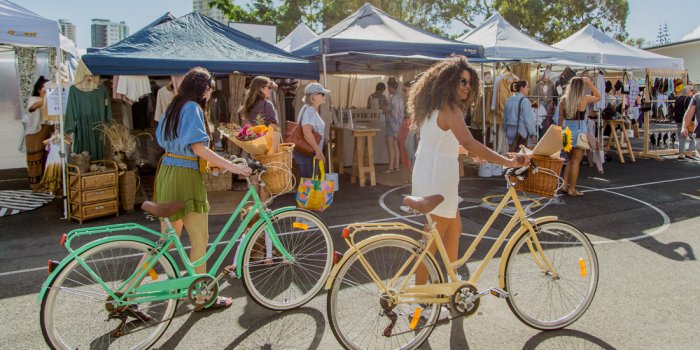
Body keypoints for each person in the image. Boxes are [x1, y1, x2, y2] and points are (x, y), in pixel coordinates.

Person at [409, 56, 530, 318]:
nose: (467, 85)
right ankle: (418, 302)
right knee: (430, 242)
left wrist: (463, 149)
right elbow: (471, 142)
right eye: (462, 81)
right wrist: (507, 161)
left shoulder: (434, 106)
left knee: (454, 229)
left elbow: (441, 140)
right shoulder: (450, 109)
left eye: (470, 82)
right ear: (448, 81)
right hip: (438, 177)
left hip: (432, 171)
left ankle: (451, 288)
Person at [155, 67, 251, 309]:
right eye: (210, 89)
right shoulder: (193, 109)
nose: (210, 94)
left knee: (166, 241)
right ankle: (201, 297)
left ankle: (128, 291)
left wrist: (214, 164)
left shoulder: (174, 106)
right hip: (185, 176)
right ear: (204, 89)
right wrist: (234, 167)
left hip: (166, 170)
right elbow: (198, 148)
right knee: (200, 239)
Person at [557, 77, 601, 197]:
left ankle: (564, 186)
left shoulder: (563, 100)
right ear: (581, 88)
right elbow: (598, 97)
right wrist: (590, 83)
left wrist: (558, 133)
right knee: (576, 161)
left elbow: (560, 119)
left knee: (569, 160)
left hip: (566, 132)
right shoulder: (584, 98)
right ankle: (572, 189)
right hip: (579, 131)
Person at [241, 76, 279, 201]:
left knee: (256, 176)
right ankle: (263, 208)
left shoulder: (249, 105)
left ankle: (255, 205)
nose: (270, 90)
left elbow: (247, 126)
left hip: (253, 145)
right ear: (261, 88)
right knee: (266, 177)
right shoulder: (266, 105)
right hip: (266, 146)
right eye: (269, 87)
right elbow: (274, 126)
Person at [294, 83, 329, 178]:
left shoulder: (308, 109)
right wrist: (318, 152)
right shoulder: (309, 110)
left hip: (307, 153)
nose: (324, 96)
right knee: (308, 189)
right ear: (313, 96)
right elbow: (307, 132)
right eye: (322, 94)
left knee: (307, 188)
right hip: (308, 154)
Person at [23, 76, 50, 190]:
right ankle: (35, 185)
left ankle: (46, 182)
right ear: (39, 89)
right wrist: (46, 97)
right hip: (35, 133)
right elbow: (32, 107)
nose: (47, 90)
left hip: (47, 130)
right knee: (35, 158)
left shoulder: (49, 100)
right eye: (45, 88)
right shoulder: (34, 99)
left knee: (46, 157)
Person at [504, 80, 537, 151]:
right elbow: (528, 120)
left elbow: (504, 118)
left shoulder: (508, 100)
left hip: (510, 132)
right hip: (520, 133)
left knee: (512, 154)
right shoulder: (525, 101)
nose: (529, 89)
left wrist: (506, 130)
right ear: (522, 88)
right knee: (523, 156)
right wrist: (533, 134)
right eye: (527, 87)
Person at [384, 78, 403, 173]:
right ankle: (396, 166)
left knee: (390, 145)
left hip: (392, 124)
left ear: (391, 87)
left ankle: (390, 167)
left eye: (388, 87)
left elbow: (394, 114)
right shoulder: (399, 97)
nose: (388, 89)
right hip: (398, 125)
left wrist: (387, 110)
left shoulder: (394, 98)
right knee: (395, 146)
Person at [398, 81, 415, 183]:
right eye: (403, 90)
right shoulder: (408, 100)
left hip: (411, 127)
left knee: (410, 151)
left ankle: (412, 176)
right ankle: (409, 176)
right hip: (406, 127)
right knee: (406, 152)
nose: (404, 92)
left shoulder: (416, 100)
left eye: (405, 90)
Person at [675, 86, 696, 159]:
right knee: (693, 137)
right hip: (688, 122)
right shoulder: (689, 99)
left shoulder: (677, 99)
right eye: (691, 90)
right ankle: (689, 152)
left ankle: (681, 154)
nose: (693, 92)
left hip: (678, 121)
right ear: (688, 91)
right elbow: (691, 111)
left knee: (681, 138)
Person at [681, 85, 700, 154]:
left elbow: (689, 113)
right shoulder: (697, 97)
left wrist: (684, 127)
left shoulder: (697, 97)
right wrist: (684, 127)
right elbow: (689, 113)